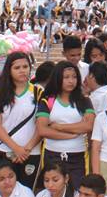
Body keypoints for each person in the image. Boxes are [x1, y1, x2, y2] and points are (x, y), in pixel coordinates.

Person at [36, 59, 95, 189]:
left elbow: (88, 126)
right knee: (53, 191)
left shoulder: (84, 101)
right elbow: (42, 130)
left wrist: (59, 127)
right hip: (52, 154)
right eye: (66, 77)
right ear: (57, 78)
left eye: (74, 77)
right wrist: (72, 133)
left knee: (78, 192)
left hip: (78, 156)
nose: (71, 81)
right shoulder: (48, 100)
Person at [0, 51, 43, 189]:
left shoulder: (38, 92)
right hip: (5, 152)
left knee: (27, 193)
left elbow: (42, 125)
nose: (22, 71)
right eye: (17, 68)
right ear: (9, 70)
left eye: (25, 67)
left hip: (31, 152)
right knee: (5, 191)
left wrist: (26, 149)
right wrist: (16, 148)